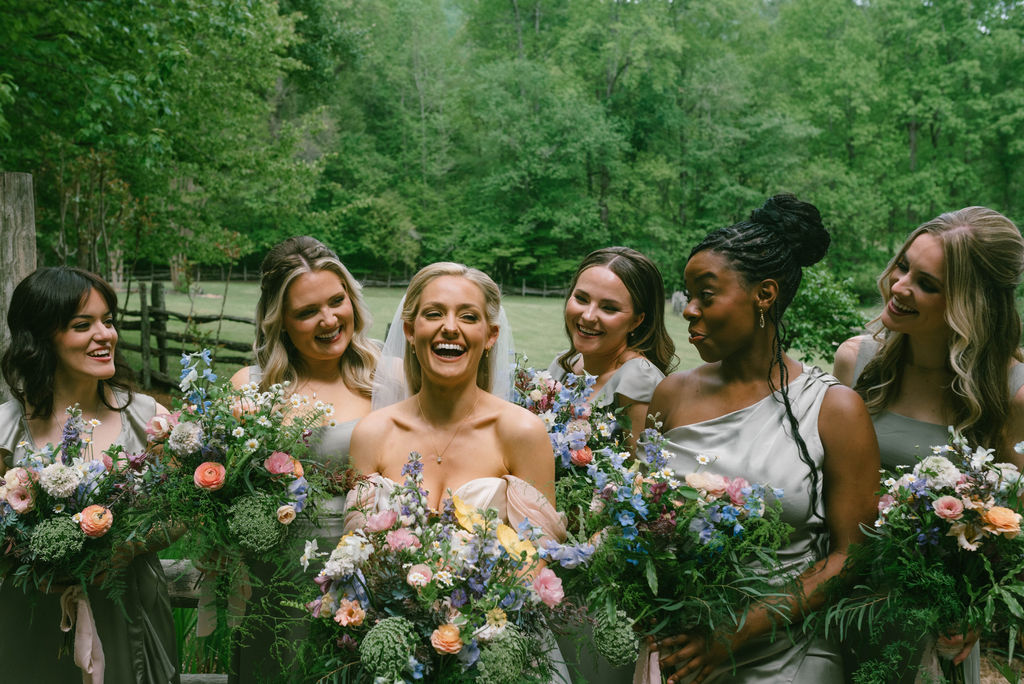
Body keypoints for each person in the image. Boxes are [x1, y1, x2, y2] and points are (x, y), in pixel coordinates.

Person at [643, 194, 880, 683]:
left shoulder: (833, 409)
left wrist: (739, 629)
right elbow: (639, 518)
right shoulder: (671, 395)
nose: (688, 310)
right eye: (687, 295)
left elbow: (850, 556)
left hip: (787, 653)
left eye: (705, 294)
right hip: (678, 648)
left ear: (764, 295)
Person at [347, 262, 568, 679]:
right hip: (393, 657)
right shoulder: (372, 434)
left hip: (496, 657)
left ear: (490, 336)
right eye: (434, 314)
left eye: (468, 317)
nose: (451, 327)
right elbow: (355, 557)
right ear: (410, 331)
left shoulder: (521, 432)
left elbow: (538, 564)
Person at [833, 206, 1024, 683]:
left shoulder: (1012, 393)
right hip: (836, 606)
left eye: (927, 283)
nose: (899, 287)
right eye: (903, 267)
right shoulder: (855, 363)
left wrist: (977, 608)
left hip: (934, 624)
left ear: (972, 303)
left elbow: (1012, 529)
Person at [0, 266, 179, 683]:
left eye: (109, 321)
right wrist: (28, 548)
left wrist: (122, 547)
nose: (105, 335)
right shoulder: (6, 429)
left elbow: (180, 513)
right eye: (84, 325)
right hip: (31, 614)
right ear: (41, 337)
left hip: (127, 609)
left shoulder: (148, 418)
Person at [228, 236, 379, 683]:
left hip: (371, 575)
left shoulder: (389, 379)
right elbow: (230, 497)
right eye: (307, 312)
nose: (329, 320)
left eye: (337, 301)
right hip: (279, 576)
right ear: (281, 322)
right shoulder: (250, 385)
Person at [548, 246, 677, 443]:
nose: (588, 316)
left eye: (609, 308)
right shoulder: (563, 364)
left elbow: (639, 470)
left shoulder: (637, 377)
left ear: (637, 320)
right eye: (581, 298)